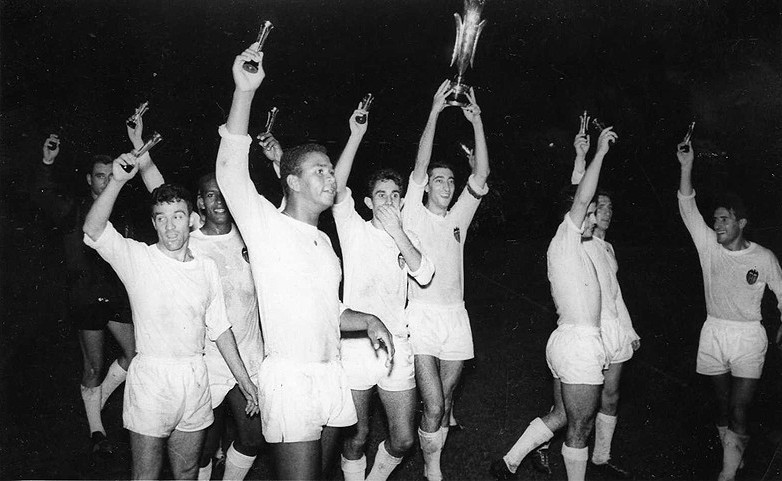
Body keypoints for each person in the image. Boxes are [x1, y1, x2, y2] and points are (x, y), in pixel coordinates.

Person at [215, 44, 395, 480]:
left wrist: (369, 320)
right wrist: (244, 92)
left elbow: (329, 313)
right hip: (290, 380)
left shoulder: (325, 244)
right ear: (293, 181)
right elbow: (230, 170)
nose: (331, 177)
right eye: (320, 170)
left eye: (331, 170)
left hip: (331, 375)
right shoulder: (266, 226)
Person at [82, 155, 260, 479]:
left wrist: (246, 381)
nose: (169, 226)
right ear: (153, 223)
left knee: (188, 471)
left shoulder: (206, 267)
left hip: (195, 378)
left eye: (177, 216)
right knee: (146, 475)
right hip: (152, 380)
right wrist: (118, 181)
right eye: (161, 218)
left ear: (190, 219)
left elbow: (221, 329)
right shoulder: (138, 259)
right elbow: (93, 230)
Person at [491, 126, 618, 481]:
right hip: (578, 345)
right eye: (589, 213)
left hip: (567, 342)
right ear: (575, 215)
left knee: (562, 415)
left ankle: (508, 462)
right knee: (580, 428)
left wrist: (581, 159)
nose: (593, 218)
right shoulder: (566, 237)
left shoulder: (575, 247)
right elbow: (581, 198)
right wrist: (600, 154)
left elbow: (579, 195)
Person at [32, 130, 163, 456]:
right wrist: (47, 163)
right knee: (93, 365)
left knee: (136, 354)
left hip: (117, 296)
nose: (105, 181)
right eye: (99, 176)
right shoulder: (73, 210)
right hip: (86, 298)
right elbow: (44, 195)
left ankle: (97, 397)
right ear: (90, 179)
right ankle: (96, 431)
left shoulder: (123, 209)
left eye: (109, 175)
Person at [331, 106, 435, 481]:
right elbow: (336, 187)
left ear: (402, 202)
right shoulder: (353, 228)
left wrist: (398, 233)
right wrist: (356, 135)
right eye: (381, 195)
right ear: (368, 202)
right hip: (356, 343)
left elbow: (425, 273)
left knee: (404, 439)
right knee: (356, 435)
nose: (388, 201)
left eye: (395, 195)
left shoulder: (408, 236)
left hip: (396, 343)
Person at [532, 128, 640, 479]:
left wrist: (628, 329)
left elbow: (614, 293)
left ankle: (601, 457)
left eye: (609, 208)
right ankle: (538, 449)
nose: (602, 213)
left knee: (609, 397)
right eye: (599, 207)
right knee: (574, 411)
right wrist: (584, 156)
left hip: (611, 327)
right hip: (586, 331)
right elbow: (579, 198)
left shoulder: (607, 247)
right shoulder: (581, 240)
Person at [677, 139, 782, 481]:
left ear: (742, 222)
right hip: (714, 332)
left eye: (724, 219)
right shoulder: (709, 246)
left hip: (748, 337)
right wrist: (686, 166)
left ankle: (727, 473)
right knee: (722, 407)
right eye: (715, 219)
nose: (717, 224)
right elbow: (687, 207)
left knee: (739, 408)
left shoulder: (763, 257)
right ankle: (733, 454)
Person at [402, 80, 490, 481]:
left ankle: (431, 445)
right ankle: (432, 468)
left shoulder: (458, 219)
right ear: (426, 187)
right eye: (439, 180)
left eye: (451, 181)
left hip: (456, 317)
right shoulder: (413, 213)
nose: (446, 185)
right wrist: (435, 112)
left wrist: (477, 122)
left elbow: (481, 173)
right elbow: (419, 166)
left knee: (447, 397)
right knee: (435, 405)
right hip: (421, 316)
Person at [184, 172, 263, 481]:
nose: (219, 201)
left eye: (224, 193)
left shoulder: (250, 237)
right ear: (201, 202)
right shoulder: (191, 245)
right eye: (211, 195)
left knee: (253, 438)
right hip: (210, 362)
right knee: (204, 447)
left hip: (249, 358)